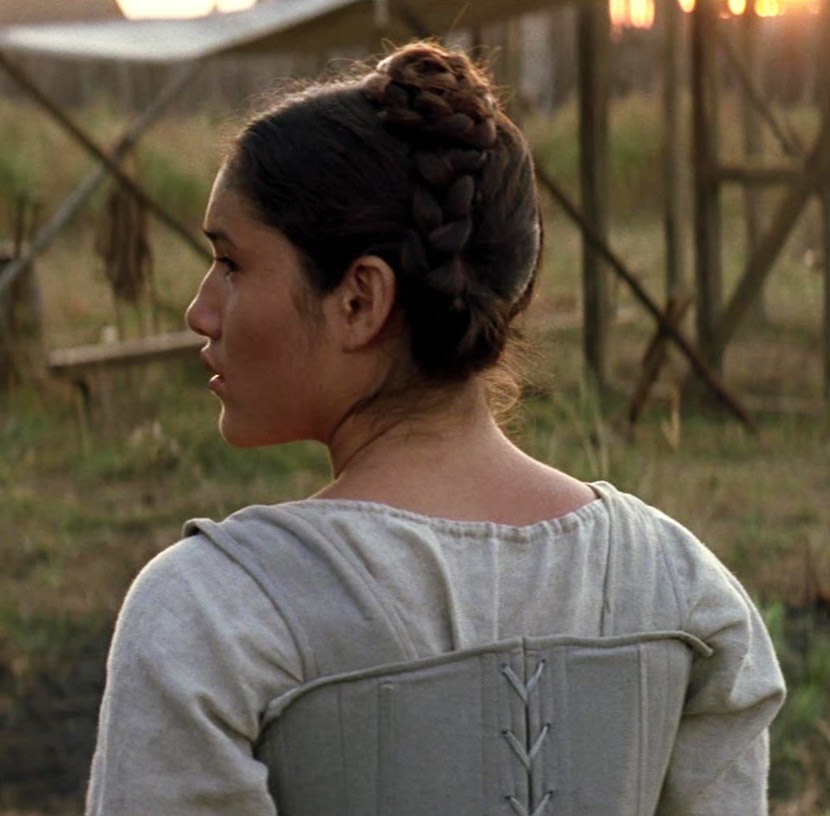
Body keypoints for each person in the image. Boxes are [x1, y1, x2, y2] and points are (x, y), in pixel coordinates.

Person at [85, 41, 785, 816]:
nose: (200, 311)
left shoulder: (213, 617)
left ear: (360, 300)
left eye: (231, 264)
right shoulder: (681, 593)